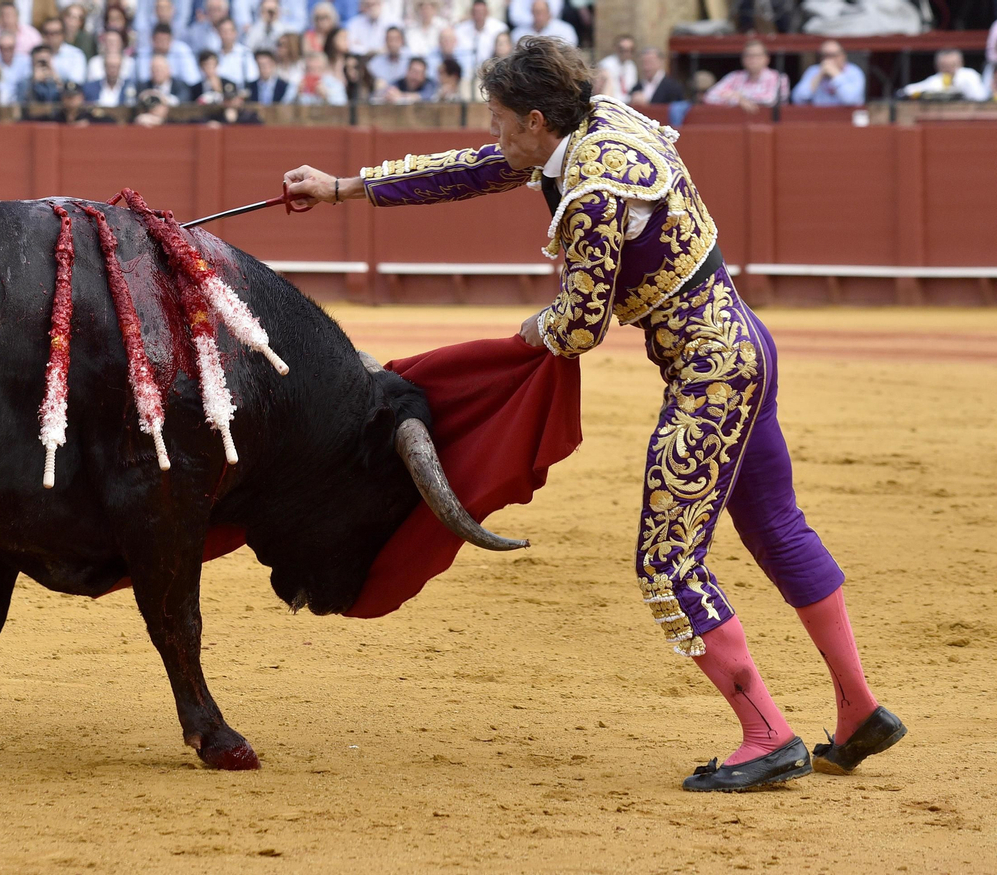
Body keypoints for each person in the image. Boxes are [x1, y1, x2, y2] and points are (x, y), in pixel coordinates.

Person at [281, 35, 905, 792]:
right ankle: (858, 708)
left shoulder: (593, 193)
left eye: (503, 120)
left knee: (667, 563)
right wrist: (347, 186)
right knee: (776, 525)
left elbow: (581, 325)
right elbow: (487, 166)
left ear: (538, 120)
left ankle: (768, 733)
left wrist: (528, 330)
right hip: (742, 349)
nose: (496, 132)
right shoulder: (602, 118)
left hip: (710, 377)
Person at [704, 39, 788, 110]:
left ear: (766, 59)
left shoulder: (778, 77)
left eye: (757, 55)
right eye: (748, 56)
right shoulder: (734, 77)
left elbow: (769, 100)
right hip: (735, 123)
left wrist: (737, 97)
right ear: (743, 59)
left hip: (767, 123)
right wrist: (738, 99)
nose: (752, 59)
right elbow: (709, 97)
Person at [789, 40, 863, 107]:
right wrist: (819, 76)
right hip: (818, 117)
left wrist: (836, 75)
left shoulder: (854, 72)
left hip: (846, 118)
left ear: (843, 56)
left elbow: (851, 100)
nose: (829, 60)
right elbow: (798, 99)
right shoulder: (814, 71)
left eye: (833, 55)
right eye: (825, 55)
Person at [900, 48, 990, 102]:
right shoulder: (936, 80)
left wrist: (960, 85)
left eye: (952, 65)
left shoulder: (969, 75)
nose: (948, 69)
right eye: (944, 66)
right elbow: (910, 90)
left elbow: (981, 96)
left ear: (961, 63)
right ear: (937, 67)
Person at [454, 0, 506, 72]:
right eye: (476, 12)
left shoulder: (499, 28)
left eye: (481, 12)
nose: (479, 15)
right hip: (466, 71)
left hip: (491, 70)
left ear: (487, 12)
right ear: (471, 13)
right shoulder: (460, 30)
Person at [38, 15, 85, 82]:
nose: (51, 37)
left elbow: (76, 83)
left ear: (63, 35)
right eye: (47, 33)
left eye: (55, 33)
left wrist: (53, 76)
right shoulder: (36, 54)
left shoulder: (75, 55)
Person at [509, 0, 573, 48]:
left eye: (542, 12)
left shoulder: (565, 30)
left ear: (549, 13)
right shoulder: (518, 33)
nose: (539, 16)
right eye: (536, 12)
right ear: (531, 13)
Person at [212, 16, 255, 86]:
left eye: (229, 31)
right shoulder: (214, 55)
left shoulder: (245, 53)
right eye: (223, 31)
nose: (226, 35)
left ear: (235, 33)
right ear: (218, 33)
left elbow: (252, 77)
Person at [595, 33, 635, 102]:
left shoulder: (631, 65)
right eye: (622, 50)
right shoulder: (606, 65)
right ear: (616, 48)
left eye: (629, 50)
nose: (626, 53)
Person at [365, 25, 407, 90]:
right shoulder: (375, 63)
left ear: (402, 41)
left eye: (396, 39)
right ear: (385, 41)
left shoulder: (410, 61)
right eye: (390, 39)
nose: (393, 43)